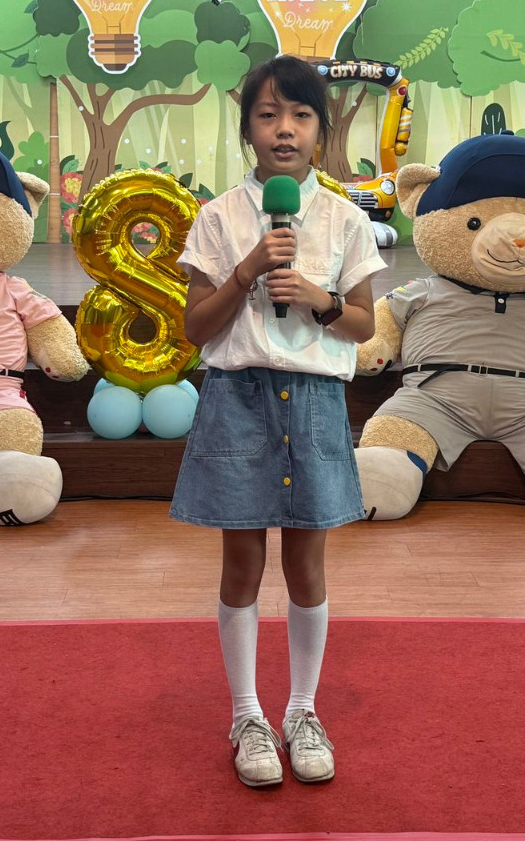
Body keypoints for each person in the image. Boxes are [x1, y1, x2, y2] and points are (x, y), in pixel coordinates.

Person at [170, 56, 387, 788]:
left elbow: (363, 326)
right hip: (238, 398)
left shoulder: (346, 219)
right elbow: (197, 327)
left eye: (299, 115)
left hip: (316, 401)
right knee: (241, 562)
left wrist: (321, 299)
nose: (283, 130)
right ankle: (246, 715)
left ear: (321, 131)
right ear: (247, 132)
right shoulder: (218, 218)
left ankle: (302, 710)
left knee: (306, 564)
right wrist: (247, 270)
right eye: (267, 115)